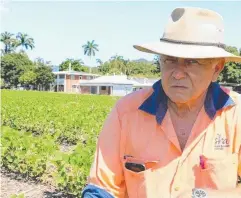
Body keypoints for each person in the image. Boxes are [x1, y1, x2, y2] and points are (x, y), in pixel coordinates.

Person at [82, 7, 241, 198]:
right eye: (169, 60)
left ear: (217, 68)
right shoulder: (126, 113)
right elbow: (102, 190)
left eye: (192, 62)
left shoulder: (235, 116)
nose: (177, 73)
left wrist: (201, 195)